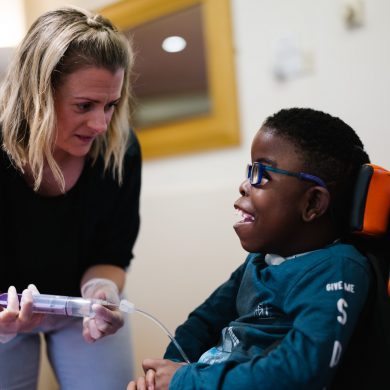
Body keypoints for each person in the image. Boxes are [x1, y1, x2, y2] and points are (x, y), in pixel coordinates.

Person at [128, 107, 388, 390]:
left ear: (312, 203)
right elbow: (201, 324)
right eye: (249, 171)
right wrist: (165, 377)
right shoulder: (259, 260)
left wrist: (184, 381)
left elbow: (299, 371)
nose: (244, 185)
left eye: (261, 173)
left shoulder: (337, 268)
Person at [0, 6, 141, 390]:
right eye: (84, 105)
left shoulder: (119, 152)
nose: (100, 124)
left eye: (110, 105)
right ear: (37, 95)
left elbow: (111, 255)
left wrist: (102, 293)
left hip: (78, 309)